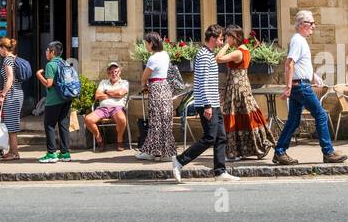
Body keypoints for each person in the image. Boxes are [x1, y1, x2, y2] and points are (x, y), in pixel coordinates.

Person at [272, 10, 348, 165]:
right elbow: (289, 64)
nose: (314, 26)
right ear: (301, 24)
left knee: (293, 120)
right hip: (301, 87)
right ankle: (328, 152)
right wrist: (288, 86)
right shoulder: (298, 40)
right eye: (311, 23)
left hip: (300, 84)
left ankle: (279, 152)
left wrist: (313, 76)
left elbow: (300, 65)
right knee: (321, 115)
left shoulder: (301, 40)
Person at [172, 24, 237, 182]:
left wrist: (215, 102)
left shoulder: (208, 54)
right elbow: (202, 82)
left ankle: (220, 171)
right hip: (207, 104)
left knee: (221, 136)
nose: (222, 42)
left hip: (214, 103)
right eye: (221, 39)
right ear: (213, 38)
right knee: (209, 137)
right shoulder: (203, 55)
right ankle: (180, 160)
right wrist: (207, 105)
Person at [215, 26, 273, 159]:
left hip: (237, 88)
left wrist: (226, 45)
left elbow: (218, 58)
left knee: (235, 117)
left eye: (229, 36)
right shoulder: (244, 50)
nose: (227, 38)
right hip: (241, 86)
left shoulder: (239, 52)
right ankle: (243, 149)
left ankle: (237, 151)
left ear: (235, 37)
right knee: (243, 117)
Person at [136, 32, 176, 161]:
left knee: (156, 121)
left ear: (151, 43)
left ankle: (153, 151)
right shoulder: (165, 55)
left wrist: (143, 85)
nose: (145, 46)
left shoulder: (153, 58)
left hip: (156, 88)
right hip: (165, 87)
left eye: (146, 43)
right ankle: (163, 152)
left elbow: (144, 76)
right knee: (164, 120)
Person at [35, 40, 71, 163]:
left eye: (47, 50)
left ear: (53, 52)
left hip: (53, 100)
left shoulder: (50, 65)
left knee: (49, 125)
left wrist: (39, 75)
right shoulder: (64, 63)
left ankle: (51, 154)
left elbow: (49, 84)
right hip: (66, 98)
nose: (46, 52)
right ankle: (65, 153)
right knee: (63, 125)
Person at [85, 61, 129, 151]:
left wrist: (106, 92)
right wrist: (115, 94)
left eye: (115, 71)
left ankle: (120, 140)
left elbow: (121, 93)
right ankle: (98, 137)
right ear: (108, 73)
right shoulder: (103, 82)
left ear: (119, 72)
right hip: (103, 108)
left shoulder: (124, 82)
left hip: (117, 108)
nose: (113, 74)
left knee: (122, 119)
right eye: (111, 72)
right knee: (88, 119)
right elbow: (97, 96)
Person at [0, 37, 23, 160]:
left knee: (12, 125)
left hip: (12, 94)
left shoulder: (7, 60)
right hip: (16, 92)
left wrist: (3, 94)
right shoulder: (13, 58)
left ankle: (14, 153)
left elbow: (10, 79)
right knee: (12, 124)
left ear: (3, 48)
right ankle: (12, 151)